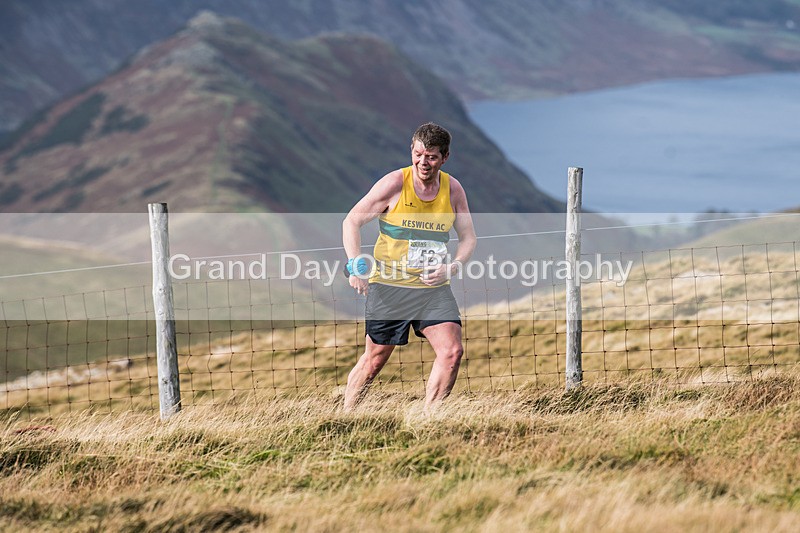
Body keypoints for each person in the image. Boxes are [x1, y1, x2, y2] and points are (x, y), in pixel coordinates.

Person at [342, 122, 477, 409]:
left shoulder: (452, 189)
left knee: (452, 352)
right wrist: (356, 267)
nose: (423, 162)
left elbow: (468, 238)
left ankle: (430, 419)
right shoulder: (394, 184)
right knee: (375, 359)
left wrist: (452, 267)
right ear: (411, 151)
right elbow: (352, 220)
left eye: (431, 156)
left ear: (444, 157)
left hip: (433, 288)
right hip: (390, 287)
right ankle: (347, 414)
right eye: (418, 154)